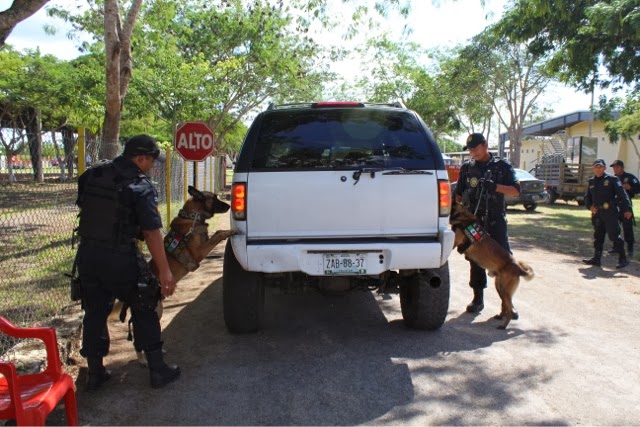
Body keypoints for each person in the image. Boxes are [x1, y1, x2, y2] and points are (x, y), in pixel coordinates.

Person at [75, 134, 180, 390]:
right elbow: (152, 232)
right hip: (120, 256)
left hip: (87, 255)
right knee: (145, 302)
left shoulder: (92, 174)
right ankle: (158, 370)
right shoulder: (139, 186)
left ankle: (95, 373)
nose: (153, 167)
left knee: (95, 310)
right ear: (141, 158)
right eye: (152, 161)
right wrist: (165, 271)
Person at [454, 133, 521, 314]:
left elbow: (516, 191)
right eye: (469, 149)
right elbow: (459, 193)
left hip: (495, 220)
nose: (472, 152)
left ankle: (507, 304)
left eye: (475, 148)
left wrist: (495, 186)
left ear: (485, 145)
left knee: (505, 261)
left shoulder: (502, 166)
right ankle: (477, 299)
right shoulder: (467, 168)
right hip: (474, 224)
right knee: (476, 260)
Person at [582, 159, 632, 269]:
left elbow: (622, 194)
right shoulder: (591, 182)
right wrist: (590, 206)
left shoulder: (612, 179)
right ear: (593, 168)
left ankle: (623, 259)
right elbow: (587, 197)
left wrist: (627, 209)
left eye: (600, 167)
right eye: (596, 167)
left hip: (611, 212)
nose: (598, 169)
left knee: (614, 235)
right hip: (598, 213)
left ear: (604, 168)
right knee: (598, 236)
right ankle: (596, 259)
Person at [609, 160, 640, 257]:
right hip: (614, 206)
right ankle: (616, 247)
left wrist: (630, 188)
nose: (615, 169)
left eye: (617, 167)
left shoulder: (630, 177)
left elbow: (638, 189)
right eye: (614, 167)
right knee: (614, 227)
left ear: (622, 167)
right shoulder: (612, 178)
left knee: (627, 227)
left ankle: (630, 248)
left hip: (625, 206)